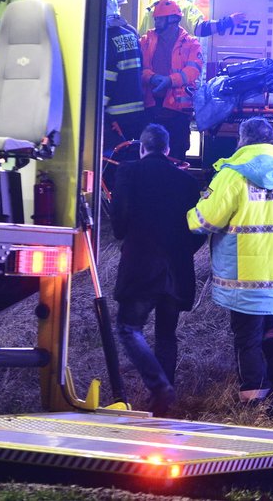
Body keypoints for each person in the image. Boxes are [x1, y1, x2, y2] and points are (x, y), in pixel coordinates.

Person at [187, 118, 273, 405]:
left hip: (243, 280)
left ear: (242, 140)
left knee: (247, 338)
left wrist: (194, 208)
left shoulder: (231, 177)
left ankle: (255, 400)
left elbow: (203, 221)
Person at [112, 123, 205, 415]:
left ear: (142, 147)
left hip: (140, 265)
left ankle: (159, 387)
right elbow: (199, 228)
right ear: (167, 149)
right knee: (167, 335)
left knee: (128, 328)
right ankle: (164, 401)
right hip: (177, 268)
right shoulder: (188, 183)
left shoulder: (127, 173)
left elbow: (118, 224)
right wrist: (182, 250)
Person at [139, 0, 203, 160]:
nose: (156, 23)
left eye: (160, 19)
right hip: (151, 108)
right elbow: (140, 67)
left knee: (177, 154)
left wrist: (169, 81)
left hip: (178, 113)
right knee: (149, 156)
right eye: (156, 19)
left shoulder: (191, 44)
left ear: (173, 19)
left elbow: (193, 70)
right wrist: (152, 78)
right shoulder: (146, 41)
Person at [103, 0, 147, 152]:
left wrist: (97, 110)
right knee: (129, 156)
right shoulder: (130, 36)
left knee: (112, 161)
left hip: (114, 116)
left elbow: (106, 80)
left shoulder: (106, 40)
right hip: (135, 112)